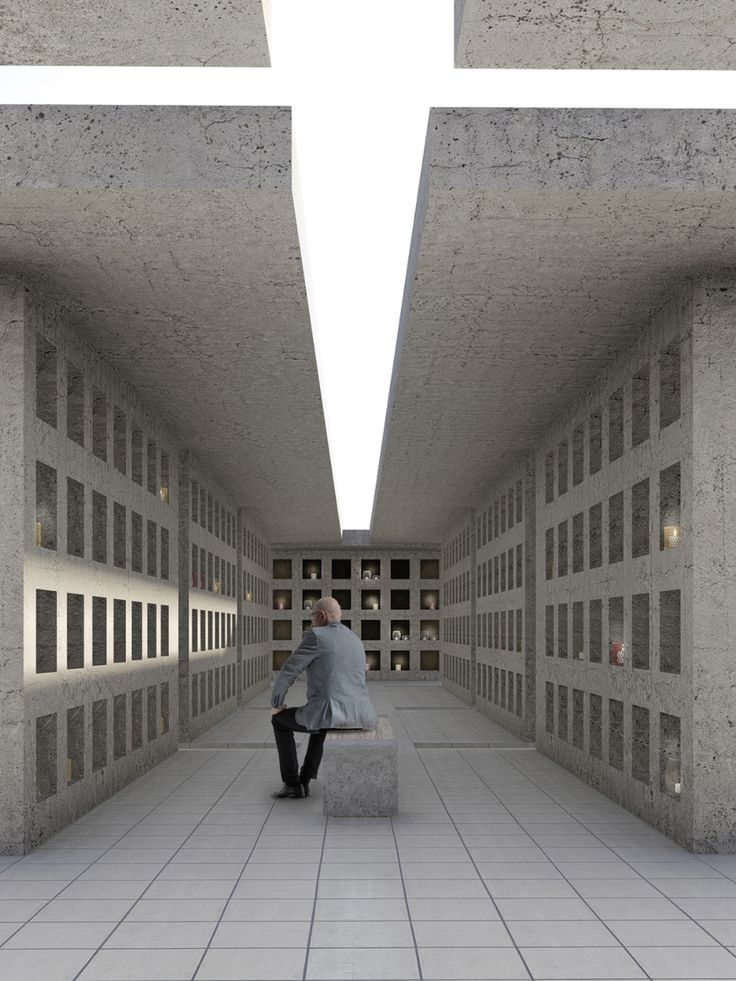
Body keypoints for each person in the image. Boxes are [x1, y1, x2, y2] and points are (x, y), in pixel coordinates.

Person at [270, 596, 377, 799]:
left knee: (280, 721)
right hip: (363, 714)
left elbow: (289, 669)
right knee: (321, 721)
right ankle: (305, 779)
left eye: (312, 618)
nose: (311, 622)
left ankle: (292, 784)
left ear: (321, 616)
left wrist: (276, 703)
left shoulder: (316, 636)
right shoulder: (355, 639)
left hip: (331, 713)